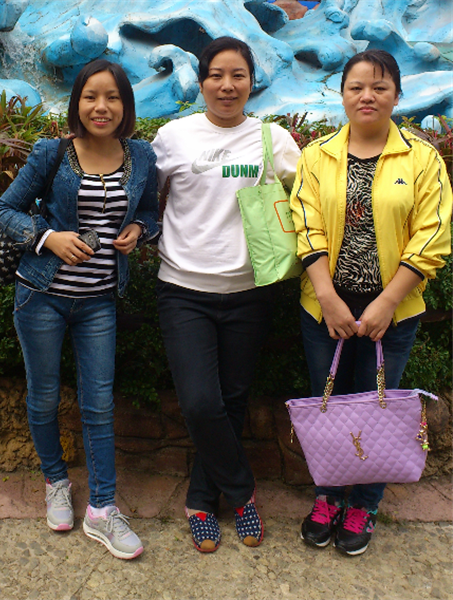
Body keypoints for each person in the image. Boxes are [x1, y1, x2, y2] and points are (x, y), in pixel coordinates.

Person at [0, 59, 159, 559]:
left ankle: (103, 509)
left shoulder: (141, 156)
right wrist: (48, 237)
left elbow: (148, 211)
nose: (101, 107)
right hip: (40, 295)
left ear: (126, 105)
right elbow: (4, 209)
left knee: (99, 404)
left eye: (112, 97)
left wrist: (139, 230)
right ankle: (55, 481)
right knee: (44, 397)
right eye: (90, 96)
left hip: (99, 301)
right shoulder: (52, 153)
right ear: (77, 102)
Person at [290, 49, 452, 556]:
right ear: (341, 95)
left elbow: (433, 234)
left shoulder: (421, 158)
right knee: (329, 404)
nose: (367, 96)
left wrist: (386, 302)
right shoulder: (318, 155)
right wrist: (327, 297)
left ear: (397, 96)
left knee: (377, 406)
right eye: (356, 87)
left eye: (380, 87)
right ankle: (327, 497)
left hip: (393, 313)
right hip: (325, 310)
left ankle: (364, 503)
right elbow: (305, 224)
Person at [152, 36, 301, 552]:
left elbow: (310, 195)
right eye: (216, 75)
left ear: (252, 82)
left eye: (238, 75)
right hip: (183, 288)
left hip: (249, 290)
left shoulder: (273, 139)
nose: (226, 85)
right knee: (199, 401)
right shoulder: (174, 136)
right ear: (201, 82)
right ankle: (241, 492)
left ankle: (200, 500)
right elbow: (145, 196)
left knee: (232, 400)